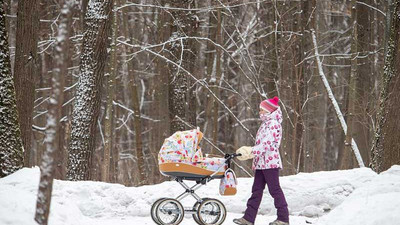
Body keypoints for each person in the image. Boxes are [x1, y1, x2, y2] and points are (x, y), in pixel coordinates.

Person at [233, 96, 289, 225]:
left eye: (262, 110)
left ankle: (283, 218)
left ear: (269, 110)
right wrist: (252, 152)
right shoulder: (266, 124)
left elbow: (267, 144)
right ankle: (248, 218)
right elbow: (262, 144)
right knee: (256, 190)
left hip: (270, 163)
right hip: (260, 163)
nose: (260, 112)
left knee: (274, 190)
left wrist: (251, 151)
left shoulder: (274, 124)